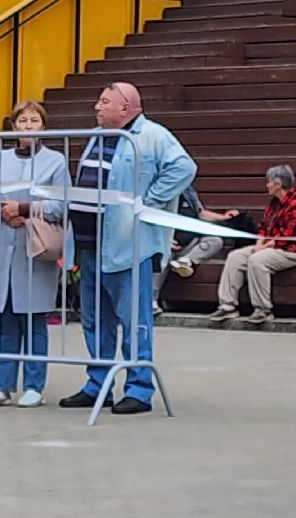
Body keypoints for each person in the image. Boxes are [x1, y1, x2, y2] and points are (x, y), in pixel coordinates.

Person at [60, 83, 195, 415]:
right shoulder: (98, 135)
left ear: (127, 107)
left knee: (134, 320)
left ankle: (139, 388)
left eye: (104, 102)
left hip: (129, 247)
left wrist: (149, 200)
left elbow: (184, 168)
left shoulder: (153, 135)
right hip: (91, 246)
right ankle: (98, 384)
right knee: (95, 320)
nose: (96, 107)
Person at [0, 100, 68, 408]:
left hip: (35, 248)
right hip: (3, 243)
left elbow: (61, 205)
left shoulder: (56, 162)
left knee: (35, 318)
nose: (28, 127)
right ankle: (3, 386)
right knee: (7, 319)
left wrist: (26, 211)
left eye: (34, 121)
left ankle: (35, 385)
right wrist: (3, 212)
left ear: (43, 126)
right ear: (13, 127)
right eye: (22, 122)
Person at [210, 165, 296, 326]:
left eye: (269, 182)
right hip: (272, 247)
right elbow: (263, 228)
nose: (267, 185)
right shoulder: (273, 204)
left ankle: (263, 309)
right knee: (235, 257)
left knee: (258, 260)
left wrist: (263, 247)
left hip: (295, 250)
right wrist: (259, 242)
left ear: (278, 184)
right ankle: (227, 305)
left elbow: (289, 236)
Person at [155, 185, 235, 311]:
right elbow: (152, 217)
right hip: (165, 244)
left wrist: (223, 217)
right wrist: (163, 238)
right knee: (160, 256)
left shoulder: (189, 192)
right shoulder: (160, 191)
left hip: (190, 243)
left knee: (215, 241)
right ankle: (151, 301)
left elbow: (201, 213)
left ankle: (186, 261)